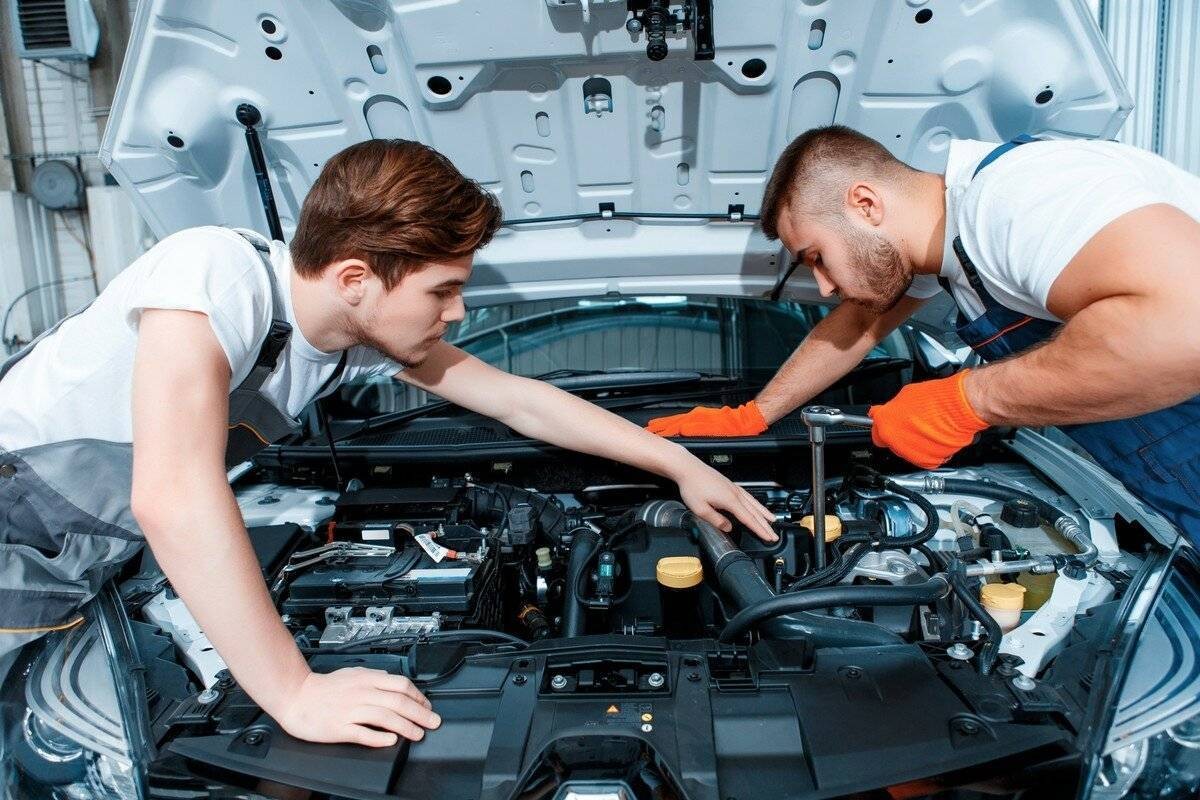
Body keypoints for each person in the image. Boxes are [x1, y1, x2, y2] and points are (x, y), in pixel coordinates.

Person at [0, 139, 776, 747]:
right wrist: (295, 691)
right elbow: (174, 495)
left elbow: (519, 400)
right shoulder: (215, 277)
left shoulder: (345, 344)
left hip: (83, 553)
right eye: (443, 290)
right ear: (354, 279)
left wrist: (679, 462)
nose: (459, 311)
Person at [649, 125, 1200, 544]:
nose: (823, 286)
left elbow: (1185, 323)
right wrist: (756, 414)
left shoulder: (1019, 197)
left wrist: (970, 400)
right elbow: (859, 323)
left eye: (816, 257)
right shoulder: (948, 249)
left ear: (865, 204)